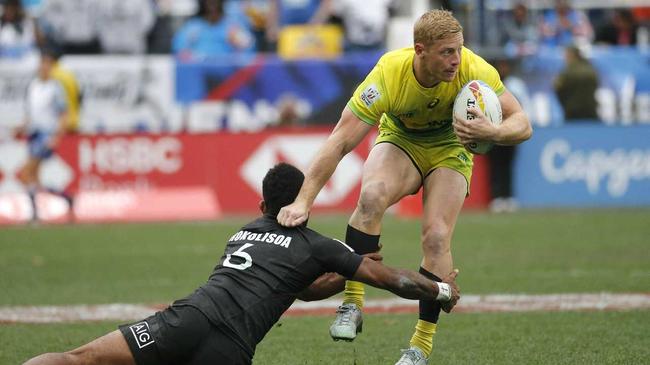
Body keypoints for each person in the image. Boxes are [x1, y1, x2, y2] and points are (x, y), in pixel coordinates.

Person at [277, 9, 531, 365]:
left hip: (451, 147)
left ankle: (419, 348)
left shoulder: (474, 69)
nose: (455, 60)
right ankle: (352, 304)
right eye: (446, 52)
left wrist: (495, 132)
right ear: (420, 50)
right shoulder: (389, 74)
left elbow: (523, 123)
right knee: (370, 197)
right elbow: (339, 141)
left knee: (437, 237)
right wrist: (304, 200)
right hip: (402, 141)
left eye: (458, 50)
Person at [23, 162, 461, 365]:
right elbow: (393, 280)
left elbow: (291, 285)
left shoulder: (244, 231)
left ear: (262, 202)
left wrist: (332, 275)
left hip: (187, 319)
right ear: (304, 204)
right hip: (230, 350)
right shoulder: (316, 245)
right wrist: (439, 289)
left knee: (79, 359)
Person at [15, 47, 74, 222]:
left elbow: (64, 115)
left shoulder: (55, 89)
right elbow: (30, 114)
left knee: (27, 172)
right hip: (33, 134)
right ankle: (65, 198)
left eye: (48, 64)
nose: (44, 67)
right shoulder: (33, 86)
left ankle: (35, 213)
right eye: (42, 63)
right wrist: (21, 127)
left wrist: (56, 137)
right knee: (33, 177)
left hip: (45, 135)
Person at [172, 0, 254, 60]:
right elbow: (179, 49)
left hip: (228, 75)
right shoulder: (193, 27)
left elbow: (249, 49)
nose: (212, 2)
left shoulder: (233, 26)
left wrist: (239, 45)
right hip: (199, 74)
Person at [554, 45, 599, 121]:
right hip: (590, 110)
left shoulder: (567, 71)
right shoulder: (591, 69)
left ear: (571, 55)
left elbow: (557, 87)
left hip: (572, 112)